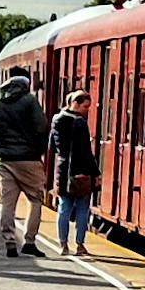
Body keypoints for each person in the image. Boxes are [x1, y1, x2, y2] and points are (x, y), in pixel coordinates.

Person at [0, 72, 51, 258]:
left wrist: (0, 148)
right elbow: (42, 127)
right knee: (35, 200)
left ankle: (10, 242)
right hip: (29, 159)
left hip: (5, 160)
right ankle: (29, 241)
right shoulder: (29, 100)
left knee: (6, 202)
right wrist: (37, 149)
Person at [50, 87, 100, 259]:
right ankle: (79, 245)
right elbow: (86, 151)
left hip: (63, 170)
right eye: (85, 107)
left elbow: (52, 146)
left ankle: (62, 244)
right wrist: (96, 172)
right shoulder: (80, 123)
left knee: (63, 208)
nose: (87, 111)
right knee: (81, 209)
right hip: (81, 171)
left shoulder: (56, 119)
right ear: (75, 103)